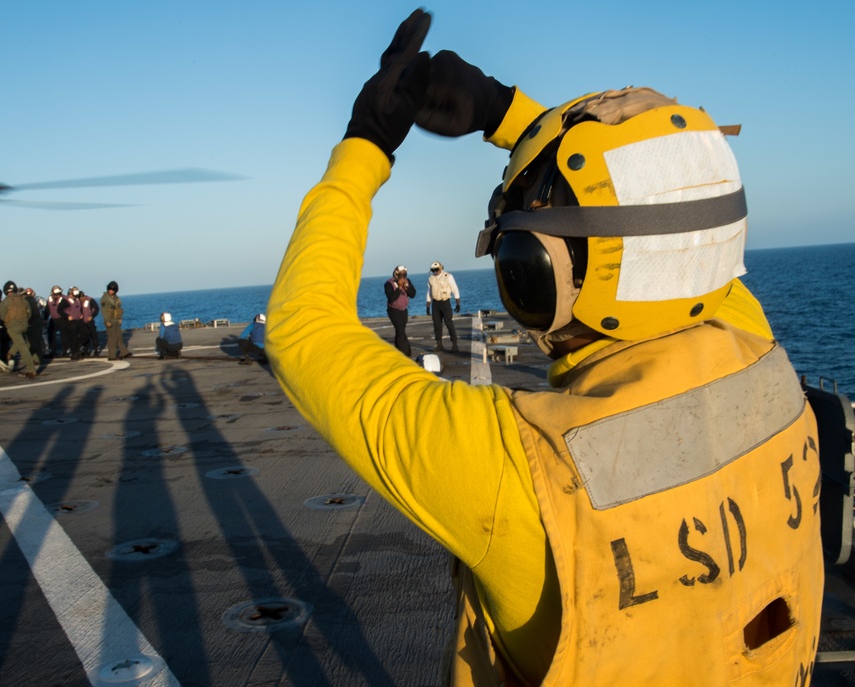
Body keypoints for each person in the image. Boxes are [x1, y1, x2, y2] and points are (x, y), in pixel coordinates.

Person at [265, 10, 822, 686]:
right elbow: (682, 238)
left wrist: (365, 146)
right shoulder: (759, 354)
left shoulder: (518, 465)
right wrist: (508, 113)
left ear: (531, 273)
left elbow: (302, 330)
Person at [0, 281, 38, 378]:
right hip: (24, 325)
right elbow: (29, 313)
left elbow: (2, 315)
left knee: (23, 348)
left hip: (13, 327)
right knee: (22, 341)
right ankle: (11, 353)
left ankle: (31, 370)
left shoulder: (5, 302)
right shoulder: (23, 300)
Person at [425, 260, 460, 352]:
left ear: (441, 268)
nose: (435, 272)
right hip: (435, 304)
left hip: (445, 303)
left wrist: (457, 303)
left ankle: (455, 344)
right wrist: (428, 305)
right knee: (437, 324)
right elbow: (429, 292)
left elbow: (455, 289)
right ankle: (439, 344)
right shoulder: (431, 279)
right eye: (433, 270)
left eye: (436, 270)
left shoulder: (448, 276)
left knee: (449, 323)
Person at [384, 265, 417, 356]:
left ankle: (398, 350)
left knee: (400, 331)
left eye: (404, 275)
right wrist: (398, 287)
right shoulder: (389, 284)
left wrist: (406, 287)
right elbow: (391, 298)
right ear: (396, 274)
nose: (403, 277)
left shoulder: (407, 281)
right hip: (393, 310)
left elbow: (413, 294)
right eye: (401, 275)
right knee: (400, 330)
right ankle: (406, 353)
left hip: (403, 310)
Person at [100, 281, 130, 360]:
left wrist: (120, 318)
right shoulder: (105, 298)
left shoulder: (117, 299)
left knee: (119, 337)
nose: (111, 291)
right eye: (110, 289)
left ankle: (124, 352)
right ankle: (112, 355)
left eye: (112, 290)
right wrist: (107, 321)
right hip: (109, 320)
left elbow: (119, 309)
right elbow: (104, 311)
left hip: (116, 319)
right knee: (112, 338)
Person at [44, 285, 65, 357]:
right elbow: (47, 310)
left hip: (61, 319)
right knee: (51, 334)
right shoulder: (49, 299)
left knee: (64, 335)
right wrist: (45, 319)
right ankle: (53, 350)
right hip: (53, 319)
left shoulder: (64, 298)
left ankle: (66, 350)